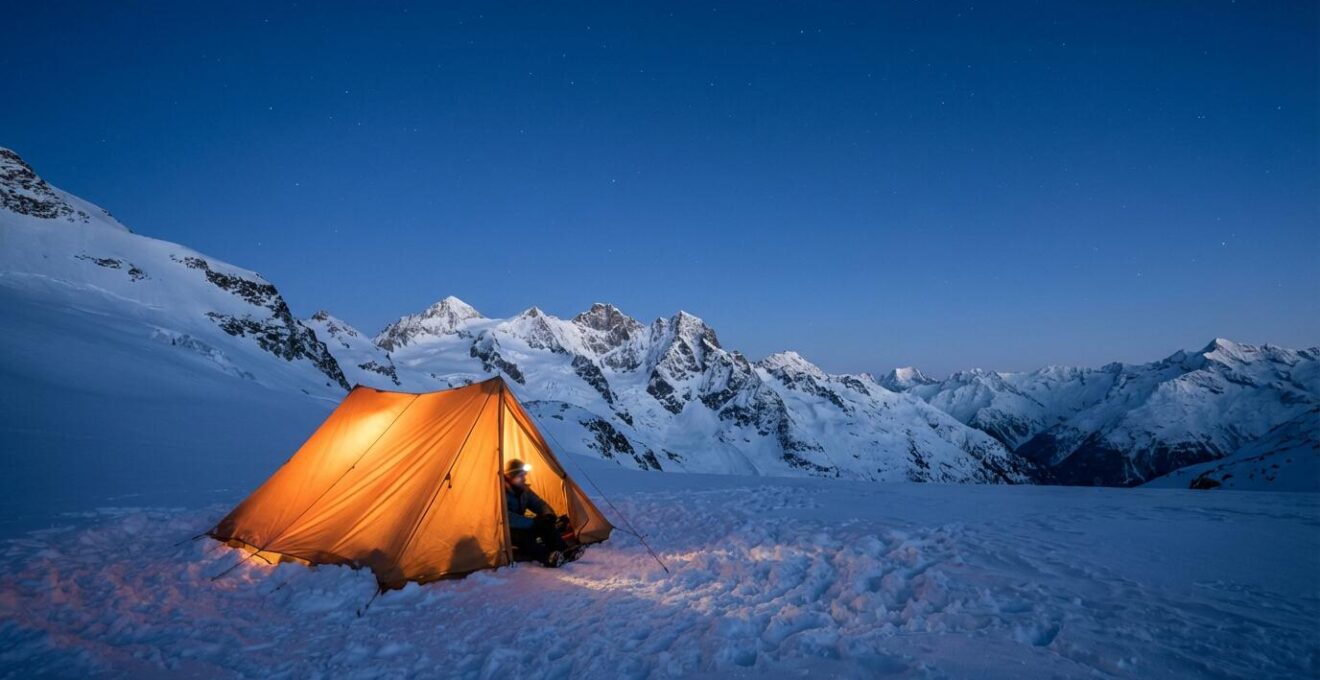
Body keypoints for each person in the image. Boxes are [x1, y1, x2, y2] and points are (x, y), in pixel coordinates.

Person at [503, 458, 581, 567]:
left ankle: (564, 551)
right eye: (521, 476)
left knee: (546, 526)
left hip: (523, 524)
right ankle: (547, 558)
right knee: (525, 536)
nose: (524, 479)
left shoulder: (523, 490)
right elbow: (506, 517)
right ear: (510, 477)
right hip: (506, 530)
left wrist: (548, 515)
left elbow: (538, 503)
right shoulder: (500, 493)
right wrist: (532, 523)